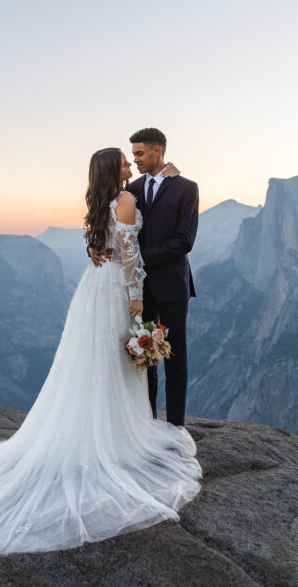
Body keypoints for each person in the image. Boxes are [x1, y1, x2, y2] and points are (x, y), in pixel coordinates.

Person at [0, 147, 201, 556]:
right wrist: (136, 298)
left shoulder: (115, 195)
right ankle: (115, 436)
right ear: (114, 170)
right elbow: (128, 255)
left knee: (95, 363)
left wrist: (168, 175)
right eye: (125, 160)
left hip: (94, 289)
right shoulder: (125, 198)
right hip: (116, 289)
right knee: (112, 363)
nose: (130, 164)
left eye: (134, 157)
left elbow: (121, 230)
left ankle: (100, 429)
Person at [90, 128, 198, 427]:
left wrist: (135, 260)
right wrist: (95, 246)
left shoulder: (186, 188)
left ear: (157, 152)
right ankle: (146, 423)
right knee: (143, 358)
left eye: (139, 153)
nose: (135, 159)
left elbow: (184, 241)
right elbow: (107, 220)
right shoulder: (131, 189)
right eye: (132, 155)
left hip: (172, 283)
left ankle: (176, 427)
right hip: (135, 288)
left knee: (176, 358)